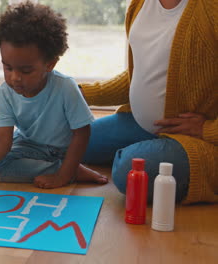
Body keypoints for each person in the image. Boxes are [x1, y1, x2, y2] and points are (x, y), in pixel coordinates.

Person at [81, 0, 217, 203]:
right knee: (77, 141)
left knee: (129, 173)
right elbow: (144, 74)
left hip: (202, 139)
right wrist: (83, 94)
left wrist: (208, 130)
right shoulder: (140, 4)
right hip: (146, 125)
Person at [0, 2, 108, 188]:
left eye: (26, 71)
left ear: (50, 64)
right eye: (8, 67)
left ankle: (68, 169)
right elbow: (2, 141)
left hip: (57, 151)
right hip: (26, 143)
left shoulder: (65, 87)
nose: (15, 78)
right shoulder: (5, 92)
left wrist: (63, 175)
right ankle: (60, 168)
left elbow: (82, 133)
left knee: (0, 169)